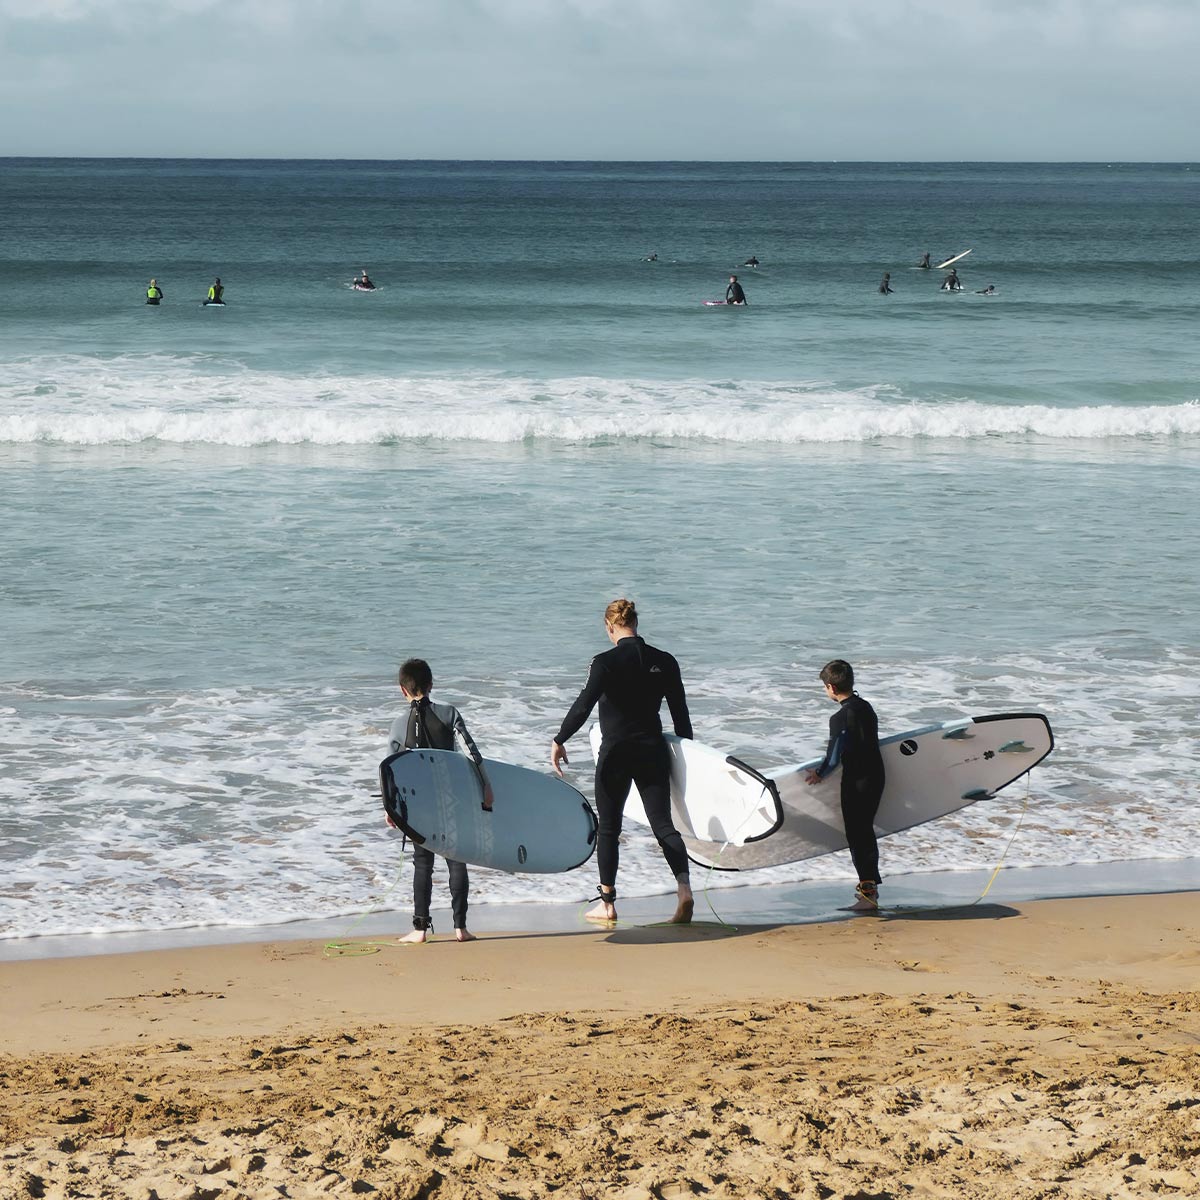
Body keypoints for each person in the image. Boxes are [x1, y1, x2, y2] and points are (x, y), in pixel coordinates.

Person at [550, 598, 694, 925]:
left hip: (615, 753)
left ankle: (608, 903)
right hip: (652, 751)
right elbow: (681, 717)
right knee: (662, 824)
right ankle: (684, 888)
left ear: (609, 627)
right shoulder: (665, 661)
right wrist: (690, 760)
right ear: (636, 623)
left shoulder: (604, 662)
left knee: (609, 829)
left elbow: (584, 705)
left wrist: (560, 739)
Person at [388, 658, 494, 943]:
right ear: (431, 685)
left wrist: (391, 808)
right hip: (452, 800)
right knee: (456, 861)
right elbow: (472, 751)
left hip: (418, 807)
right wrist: (485, 784)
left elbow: (391, 771)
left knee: (422, 864)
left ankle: (420, 929)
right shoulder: (449, 713)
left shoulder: (399, 725)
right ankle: (461, 927)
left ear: (402, 690)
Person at [804, 659, 885, 912]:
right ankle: (869, 892)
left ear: (831, 687)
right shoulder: (866, 707)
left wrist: (819, 773)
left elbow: (834, 754)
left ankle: (868, 896)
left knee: (858, 835)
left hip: (857, 781)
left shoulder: (840, 716)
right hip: (877, 776)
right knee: (865, 833)